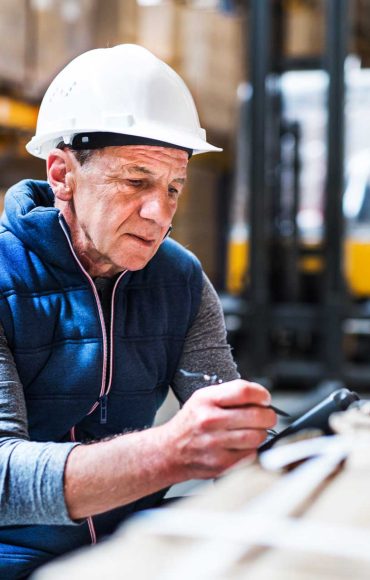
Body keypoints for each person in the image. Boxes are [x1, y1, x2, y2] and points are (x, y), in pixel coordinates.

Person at [0, 44, 276, 578]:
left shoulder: (181, 279)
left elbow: (225, 429)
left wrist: (253, 441)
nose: (161, 213)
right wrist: (167, 451)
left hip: (134, 547)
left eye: (174, 188)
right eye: (136, 181)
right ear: (62, 174)